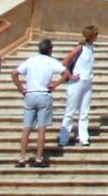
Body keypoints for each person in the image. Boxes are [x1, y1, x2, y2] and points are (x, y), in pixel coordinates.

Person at [13, 37, 67, 169]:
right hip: (43, 94)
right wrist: (55, 84)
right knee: (41, 129)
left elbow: (14, 73)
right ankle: (38, 158)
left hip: (30, 94)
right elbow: (66, 73)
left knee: (27, 128)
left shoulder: (31, 60)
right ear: (50, 50)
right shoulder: (51, 61)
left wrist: (21, 88)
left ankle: (22, 158)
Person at [58, 24, 98, 149]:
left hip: (87, 82)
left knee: (84, 111)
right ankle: (63, 138)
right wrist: (69, 75)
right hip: (77, 82)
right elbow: (66, 61)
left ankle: (84, 137)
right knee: (70, 111)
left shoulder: (91, 48)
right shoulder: (80, 48)